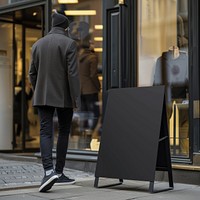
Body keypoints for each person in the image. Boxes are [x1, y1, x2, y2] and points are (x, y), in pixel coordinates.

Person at [29, 11, 81, 193]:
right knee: (64, 131)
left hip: (42, 95)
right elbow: (73, 74)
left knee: (45, 131)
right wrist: (76, 98)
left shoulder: (37, 45)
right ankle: (59, 172)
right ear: (65, 28)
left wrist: (40, 90)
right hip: (64, 95)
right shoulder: (69, 44)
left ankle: (48, 171)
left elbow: (32, 74)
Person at [78, 39, 101, 145]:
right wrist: (98, 86)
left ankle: (83, 134)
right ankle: (89, 133)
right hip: (90, 90)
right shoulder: (92, 58)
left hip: (81, 90)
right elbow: (93, 75)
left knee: (84, 113)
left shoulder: (79, 58)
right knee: (95, 113)